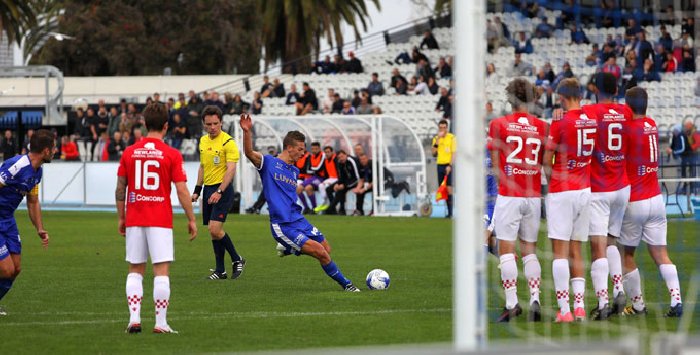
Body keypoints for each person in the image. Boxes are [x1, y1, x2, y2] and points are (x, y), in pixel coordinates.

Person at [239, 113, 360, 292]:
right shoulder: (268, 163)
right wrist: (247, 132)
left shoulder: (294, 170)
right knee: (320, 252)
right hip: (283, 224)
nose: (304, 153)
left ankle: (289, 249)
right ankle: (347, 285)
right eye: (301, 149)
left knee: (326, 248)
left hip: (298, 219)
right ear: (289, 147)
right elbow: (249, 152)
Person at [116, 103, 197, 334]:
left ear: (143, 123)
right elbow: (182, 190)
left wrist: (121, 217)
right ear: (166, 126)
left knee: (135, 269)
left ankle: (134, 319)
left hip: (134, 217)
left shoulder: (129, 152)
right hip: (160, 218)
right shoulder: (171, 154)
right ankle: (160, 323)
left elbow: (120, 188)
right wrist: (191, 218)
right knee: (160, 271)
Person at [619, 87, 683, 317]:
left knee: (625, 255)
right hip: (656, 199)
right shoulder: (652, 125)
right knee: (661, 254)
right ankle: (676, 301)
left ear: (627, 106)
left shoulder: (628, 129)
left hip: (635, 200)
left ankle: (637, 305)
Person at [487, 78, 545, 322]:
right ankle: (535, 298)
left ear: (510, 99)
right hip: (533, 195)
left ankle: (512, 303)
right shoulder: (543, 126)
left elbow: (494, 161)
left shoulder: (498, 124)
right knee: (530, 249)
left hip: (510, 194)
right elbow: (544, 160)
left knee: (507, 251)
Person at [543, 78, 598, 322]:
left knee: (560, 251)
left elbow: (546, 159)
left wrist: (550, 182)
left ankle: (564, 310)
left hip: (562, 190)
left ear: (562, 97)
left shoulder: (559, 124)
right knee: (577, 249)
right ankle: (580, 308)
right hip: (585, 190)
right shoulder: (590, 121)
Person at [581, 72, 633, 316]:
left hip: (600, 188)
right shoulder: (626, 112)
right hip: (622, 186)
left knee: (597, 246)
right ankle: (619, 289)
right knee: (612, 240)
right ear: (615, 90)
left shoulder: (590, 112)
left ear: (594, 89)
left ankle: (602, 303)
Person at [0, 129, 54, 316]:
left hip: (7, 220)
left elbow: (33, 201)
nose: (55, 151)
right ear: (46, 151)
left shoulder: (37, 172)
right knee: (6, 269)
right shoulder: (17, 166)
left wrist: (39, 228)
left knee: (16, 269)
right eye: (53, 148)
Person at [191, 105, 245, 280]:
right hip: (208, 189)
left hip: (223, 189)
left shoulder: (228, 142)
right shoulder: (203, 141)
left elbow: (231, 170)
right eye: (209, 124)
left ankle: (237, 259)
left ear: (221, 122)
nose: (212, 127)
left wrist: (220, 191)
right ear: (204, 124)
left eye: (215, 123)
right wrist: (197, 191)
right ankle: (220, 270)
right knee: (213, 231)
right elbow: (202, 167)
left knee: (215, 229)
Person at [432, 120, 455, 218]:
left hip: (448, 165)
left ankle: (450, 213)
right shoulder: (436, 138)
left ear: (447, 128)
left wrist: (450, 165)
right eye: (440, 128)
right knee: (443, 189)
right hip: (439, 165)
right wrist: (437, 142)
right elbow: (433, 153)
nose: (442, 129)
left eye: (444, 127)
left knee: (449, 188)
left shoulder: (452, 138)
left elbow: (454, 153)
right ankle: (447, 212)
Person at [326, 150, 360, 216]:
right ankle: (334, 210)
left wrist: (344, 185)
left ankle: (333, 209)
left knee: (341, 190)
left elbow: (357, 177)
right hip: (346, 181)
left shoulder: (351, 161)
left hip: (355, 181)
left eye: (342, 156)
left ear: (346, 155)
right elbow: (341, 176)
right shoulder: (339, 163)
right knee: (328, 189)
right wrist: (337, 184)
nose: (341, 159)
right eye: (339, 157)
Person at [245, 146, 277, 214]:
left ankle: (256, 208)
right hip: (271, 182)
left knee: (265, 195)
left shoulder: (277, 159)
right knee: (264, 195)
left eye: (272, 152)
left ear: (275, 151)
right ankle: (257, 208)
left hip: (276, 182)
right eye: (270, 152)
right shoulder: (268, 159)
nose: (271, 153)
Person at [314, 146, 339, 213]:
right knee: (321, 186)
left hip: (336, 178)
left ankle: (329, 205)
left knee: (327, 187)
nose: (327, 154)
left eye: (328, 152)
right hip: (330, 179)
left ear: (332, 152)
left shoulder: (335, 159)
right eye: (326, 152)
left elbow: (339, 171)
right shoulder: (325, 160)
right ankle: (325, 201)